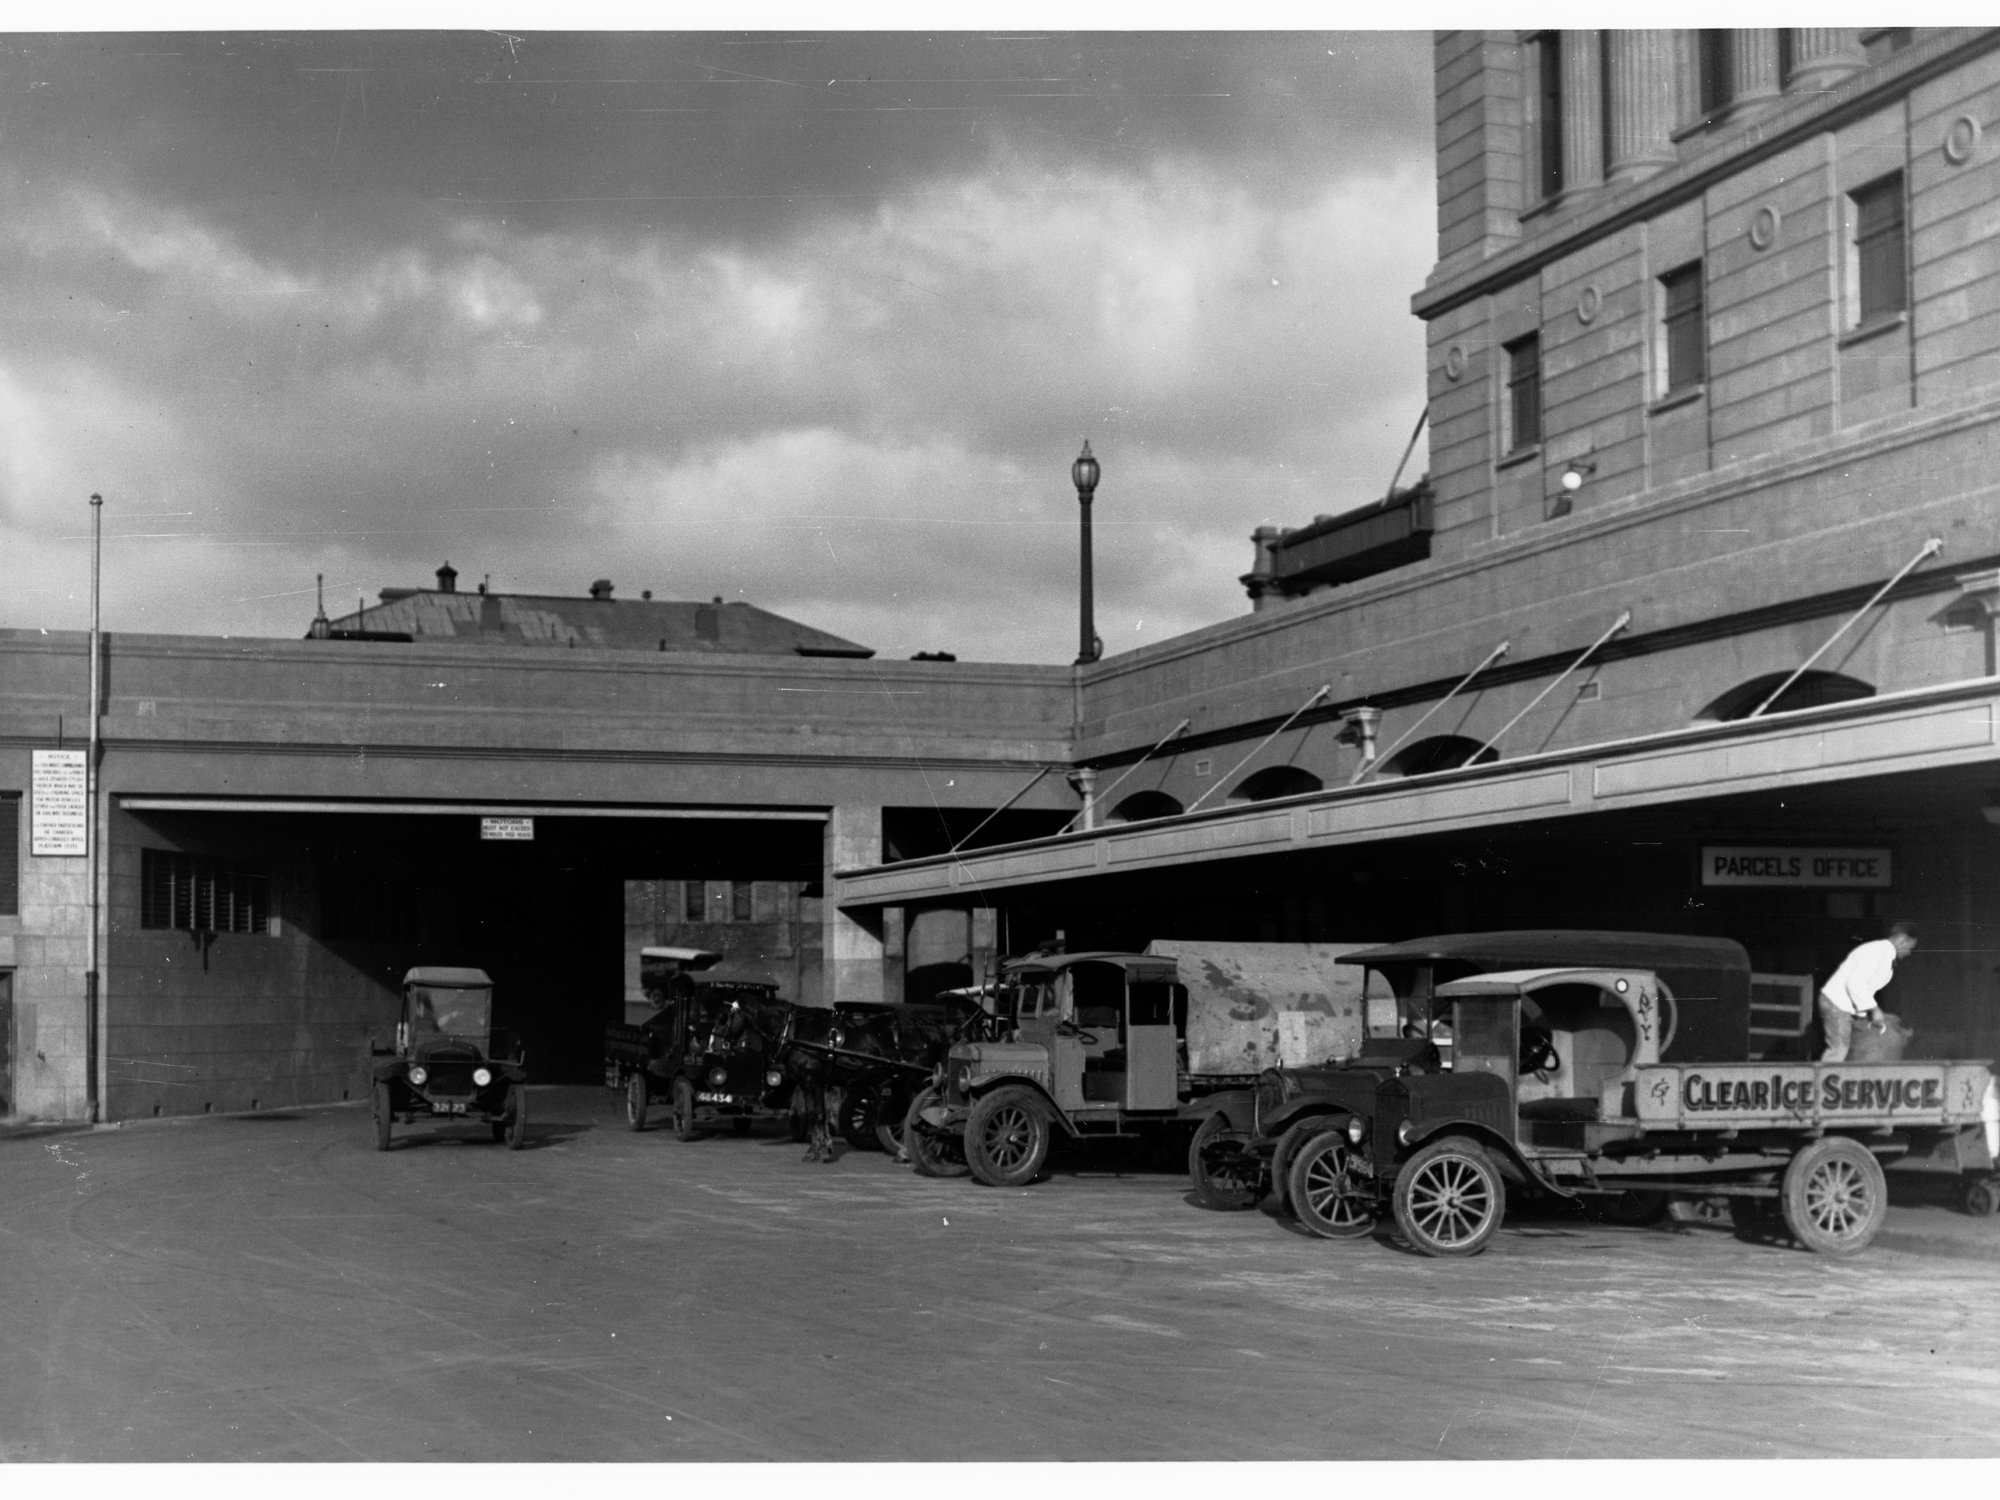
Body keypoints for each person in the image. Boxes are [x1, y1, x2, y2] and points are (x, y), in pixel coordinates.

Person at [1819, 922, 1917, 1062]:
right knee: (1838, 1050)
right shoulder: (1877, 952)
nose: (1908, 953)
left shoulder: (1884, 955)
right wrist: (1874, 1009)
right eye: (1909, 948)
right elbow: (1855, 983)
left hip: (1844, 1007)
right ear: (1901, 940)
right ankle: (1820, 1082)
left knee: (1846, 1049)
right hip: (1836, 1004)